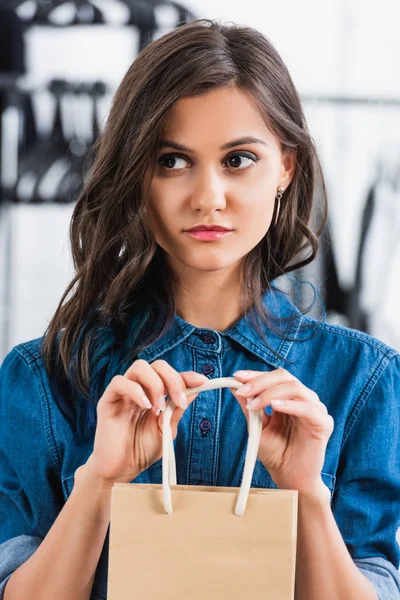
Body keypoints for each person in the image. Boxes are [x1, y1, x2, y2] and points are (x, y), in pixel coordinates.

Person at [0, 18, 399, 600]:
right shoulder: (41, 380)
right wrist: (100, 481)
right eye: (172, 161)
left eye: (238, 160)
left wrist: (308, 494)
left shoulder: (364, 384)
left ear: (285, 166)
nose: (208, 197)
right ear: (137, 175)